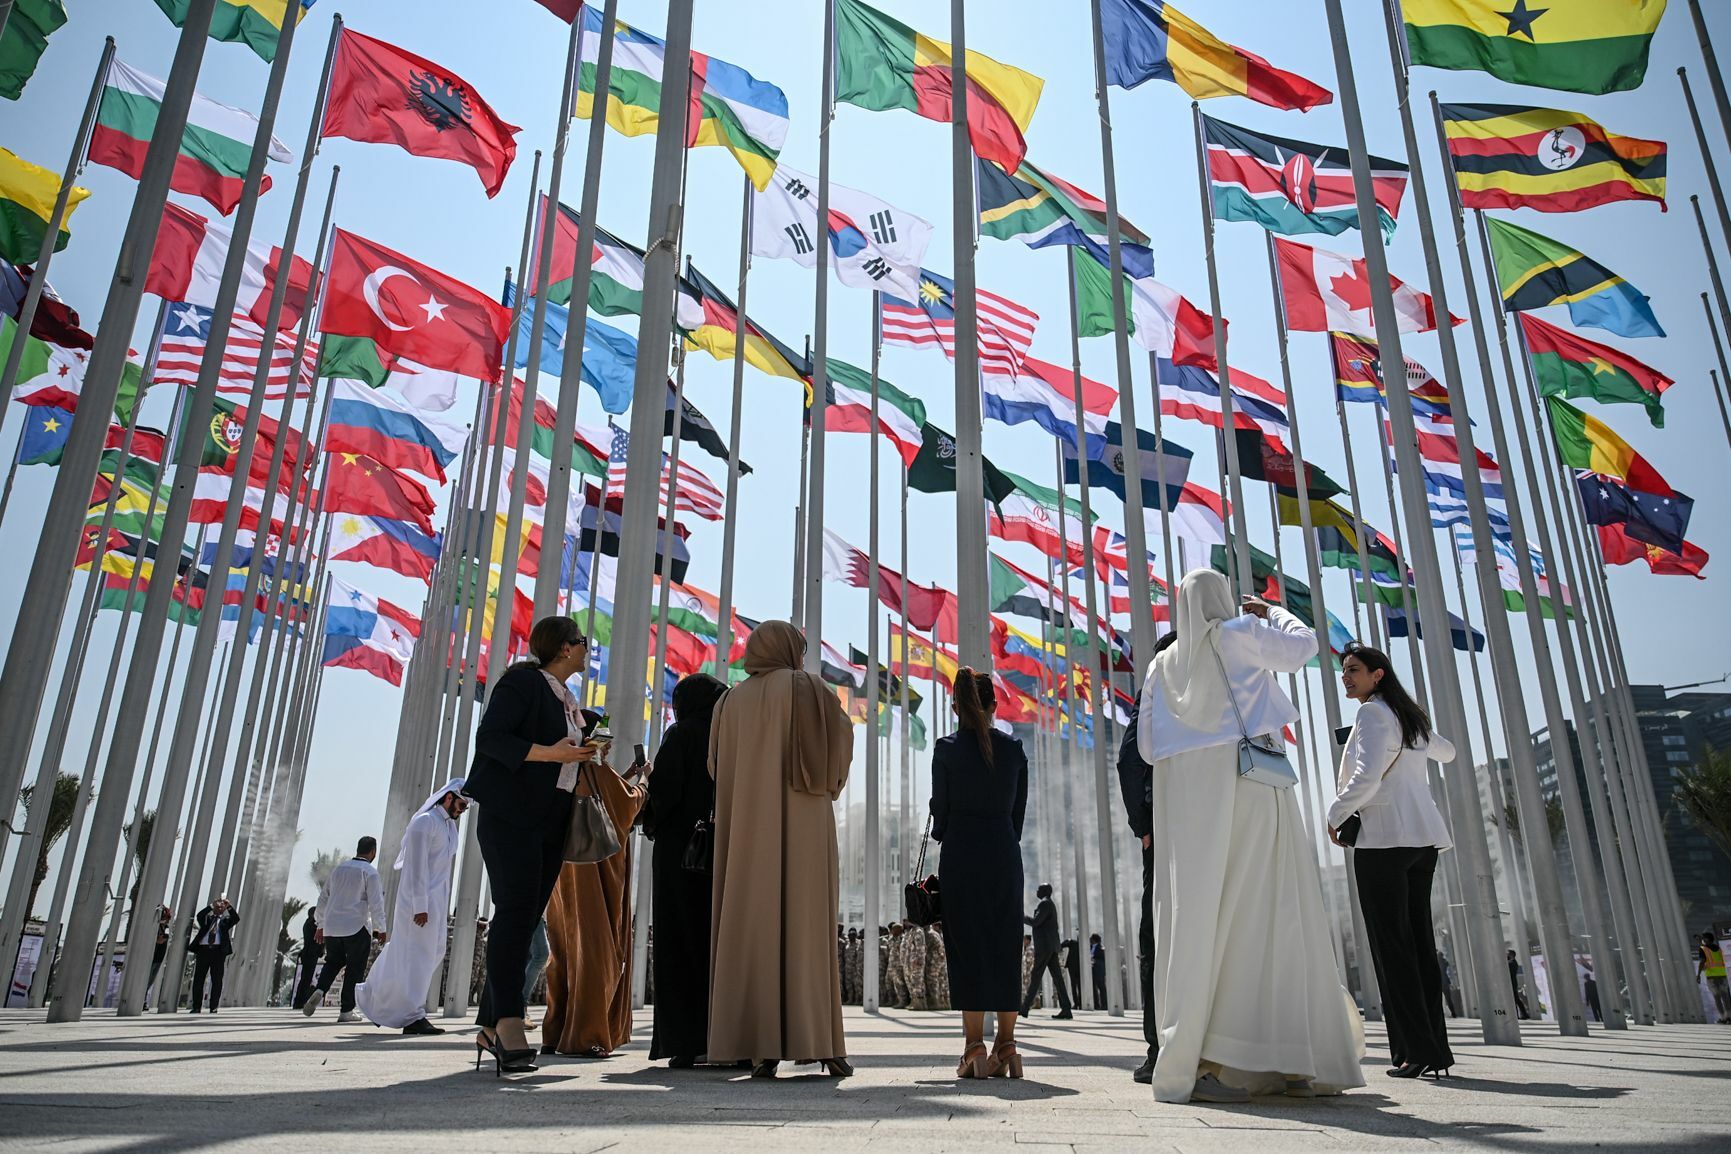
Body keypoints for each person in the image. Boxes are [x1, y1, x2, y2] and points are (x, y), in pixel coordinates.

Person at [1139, 568, 1363, 1104]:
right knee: (1271, 911)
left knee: (1202, 922)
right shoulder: (1239, 633)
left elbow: (1148, 746)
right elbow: (1304, 646)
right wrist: (1271, 613)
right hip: (1252, 790)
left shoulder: (1161, 666)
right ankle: (1290, 1058)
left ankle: (1211, 1056)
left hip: (1191, 809)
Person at [708, 620, 854, 1078]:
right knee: (807, 929)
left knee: (753, 925)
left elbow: (715, 766)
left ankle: (760, 1047)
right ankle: (820, 1042)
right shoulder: (806, 687)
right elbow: (840, 745)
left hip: (747, 828)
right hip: (805, 823)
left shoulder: (729, 701)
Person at [461, 615, 596, 1074]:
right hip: (512, 815)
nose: (586, 648)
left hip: (552, 818)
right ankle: (508, 1020)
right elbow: (491, 739)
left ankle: (489, 1026)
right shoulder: (524, 683)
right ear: (564, 647)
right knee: (516, 913)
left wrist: (584, 753)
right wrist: (554, 753)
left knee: (524, 917)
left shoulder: (568, 702)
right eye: (581, 641)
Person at [1327, 643, 1456, 1080]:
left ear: (1377, 674)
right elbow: (1448, 752)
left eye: (1354, 670)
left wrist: (1335, 813)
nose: (1346, 677)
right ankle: (1433, 1050)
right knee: (1418, 945)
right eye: (1344, 670)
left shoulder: (1372, 713)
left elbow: (1366, 775)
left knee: (1392, 949)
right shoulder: (1406, 714)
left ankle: (1413, 1052)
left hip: (1384, 839)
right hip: (1423, 839)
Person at [931, 668, 1030, 1078]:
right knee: (1005, 945)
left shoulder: (946, 749)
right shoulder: (1014, 750)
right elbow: (1018, 817)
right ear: (994, 706)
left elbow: (940, 818)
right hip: (1003, 854)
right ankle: (1007, 1045)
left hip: (961, 855)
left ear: (956, 708)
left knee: (967, 946)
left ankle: (974, 1047)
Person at [642, 673, 727, 1066]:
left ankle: (684, 1042)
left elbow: (664, 795)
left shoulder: (681, 735)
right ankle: (723, 1036)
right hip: (724, 851)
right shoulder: (730, 737)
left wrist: (648, 812)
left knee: (678, 942)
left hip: (681, 854)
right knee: (715, 942)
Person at [542, 741, 646, 1057]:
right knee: (597, 949)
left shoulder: (563, 769)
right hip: (592, 871)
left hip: (563, 871)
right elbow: (626, 805)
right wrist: (644, 780)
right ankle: (588, 1035)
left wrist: (625, 775)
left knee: (563, 949)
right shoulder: (596, 769)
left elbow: (602, 796)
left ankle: (555, 1030)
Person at [356, 780, 468, 1035]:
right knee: (416, 955)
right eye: (461, 805)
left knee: (431, 951)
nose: (462, 811)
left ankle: (374, 998)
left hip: (436, 902)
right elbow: (416, 867)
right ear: (448, 798)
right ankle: (412, 1015)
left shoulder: (449, 827)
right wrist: (420, 905)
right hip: (419, 904)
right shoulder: (425, 822)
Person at [1117, 632, 1168, 1083]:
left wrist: (1143, 827)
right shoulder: (1219, 683)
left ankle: (1160, 1047)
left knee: (1156, 933)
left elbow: (1129, 759)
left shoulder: (1157, 684)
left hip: (1167, 826)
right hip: (1217, 823)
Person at [302, 837, 387, 1023]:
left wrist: (320, 924)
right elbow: (376, 903)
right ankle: (346, 1010)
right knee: (355, 968)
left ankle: (320, 989)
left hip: (332, 927)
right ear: (373, 851)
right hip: (356, 926)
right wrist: (381, 928)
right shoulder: (370, 872)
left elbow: (323, 898)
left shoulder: (338, 870)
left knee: (333, 962)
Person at [1020, 884, 1073, 1020]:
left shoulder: (1044, 904)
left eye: (1038, 889)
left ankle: (1025, 1008)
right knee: (1058, 979)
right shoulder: (1049, 904)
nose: (1036, 891)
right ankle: (1066, 1008)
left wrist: (1021, 916)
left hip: (1045, 947)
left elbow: (1036, 922)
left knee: (1036, 976)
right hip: (1051, 946)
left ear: (1044, 891)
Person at [187, 896, 240, 1014]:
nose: (219, 908)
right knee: (199, 979)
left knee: (217, 980)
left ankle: (213, 1006)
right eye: (217, 906)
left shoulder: (225, 921)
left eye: (221, 907)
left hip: (218, 952)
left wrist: (229, 906)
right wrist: (211, 905)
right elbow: (200, 915)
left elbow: (236, 918)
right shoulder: (207, 919)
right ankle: (196, 1006)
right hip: (203, 950)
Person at [291, 906, 321, 1012]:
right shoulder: (311, 925)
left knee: (306, 979)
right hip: (310, 955)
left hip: (308, 954)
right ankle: (299, 1001)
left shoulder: (308, 924)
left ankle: (300, 1001)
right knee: (306, 979)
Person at [1698, 932, 1730, 1023]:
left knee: (1717, 998)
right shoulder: (1718, 948)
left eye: (1703, 938)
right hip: (1722, 975)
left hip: (1712, 977)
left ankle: (1723, 1018)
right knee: (1726, 997)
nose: (1702, 940)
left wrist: (1698, 974)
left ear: (1707, 939)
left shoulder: (1703, 949)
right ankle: (1729, 1017)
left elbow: (1702, 961)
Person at [903, 918, 929, 1010]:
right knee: (913, 981)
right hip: (911, 961)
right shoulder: (912, 931)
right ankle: (915, 1001)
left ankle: (919, 1003)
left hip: (916, 961)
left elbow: (920, 947)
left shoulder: (918, 931)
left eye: (907, 921)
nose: (905, 923)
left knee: (917, 981)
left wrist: (918, 959)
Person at [146, 905, 172, 996]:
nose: (166, 920)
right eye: (165, 918)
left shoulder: (166, 928)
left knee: (151, 979)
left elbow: (165, 937)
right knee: (147, 978)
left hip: (159, 957)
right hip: (152, 957)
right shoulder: (154, 927)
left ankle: (144, 995)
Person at [887, 923, 910, 1007]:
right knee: (892, 983)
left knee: (900, 983)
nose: (892, 931)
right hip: (892, 964)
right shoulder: (891, 939)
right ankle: (895, 1000)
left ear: (899, 930)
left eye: (894, 929)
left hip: (900, 964)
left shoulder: (903, 938)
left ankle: (903, 1001)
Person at [1508, 950, 1532, 1020]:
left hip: (1512, 984)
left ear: (1511, 955)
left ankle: (1518, 1015)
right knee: (1516, 1000)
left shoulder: (1511, 963)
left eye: (1507, 954)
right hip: (1513, 984)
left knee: (1514, 1000)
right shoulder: (1512, 962)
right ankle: (1524, 1014)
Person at [1060, 936, 1082, 1009]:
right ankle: (1080, 1003)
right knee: (1079, 986)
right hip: (1079, 966)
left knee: (1074, 985)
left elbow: (1062, 945)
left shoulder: (1073, 943)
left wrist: (1068, 940)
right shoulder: (1084, 945)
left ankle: (1076, 1003)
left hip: (1072, 966)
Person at [1090, 934, 1108, 1010]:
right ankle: (1096, 1004)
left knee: (1101, 987)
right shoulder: (1090, 947)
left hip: (1099, 970)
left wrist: (1094, 960)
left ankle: (1104, 1005)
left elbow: (1102, 959)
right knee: (1093, 987)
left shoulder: (1101, 948)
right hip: (1092, 969)